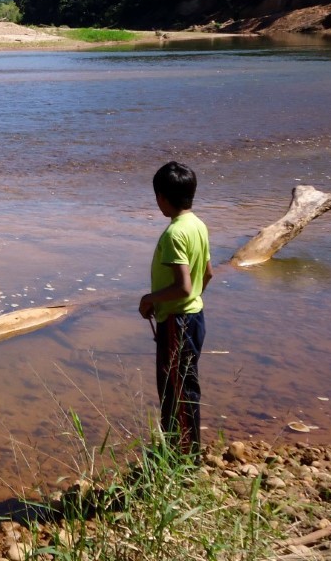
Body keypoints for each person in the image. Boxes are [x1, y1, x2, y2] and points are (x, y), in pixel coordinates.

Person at [139, 161, 214, 458]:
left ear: (161, 197)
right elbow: (207, 274)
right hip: (193, 317)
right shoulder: (198, 225)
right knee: (184, 386)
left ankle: (182, 459)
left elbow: (183, 286)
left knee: (176, 393)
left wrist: (150, 299)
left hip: (177, 323)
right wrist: (191, 300)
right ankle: (185, 453)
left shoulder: (174, 234)